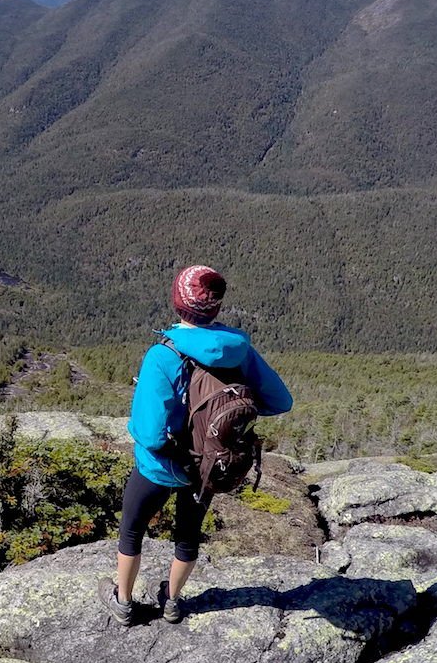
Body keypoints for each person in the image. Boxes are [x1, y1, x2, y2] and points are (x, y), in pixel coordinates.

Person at [102, 264, 293, 626]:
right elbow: (281, 402)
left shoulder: (163, 354)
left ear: (177, 303)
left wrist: (135, 425)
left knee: (132, 528)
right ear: (216, 308)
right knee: (188, 535)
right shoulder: (239, 351)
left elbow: (152, 434)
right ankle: (172, 602)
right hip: (207, 465)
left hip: (160, 468)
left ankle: (123, 602)